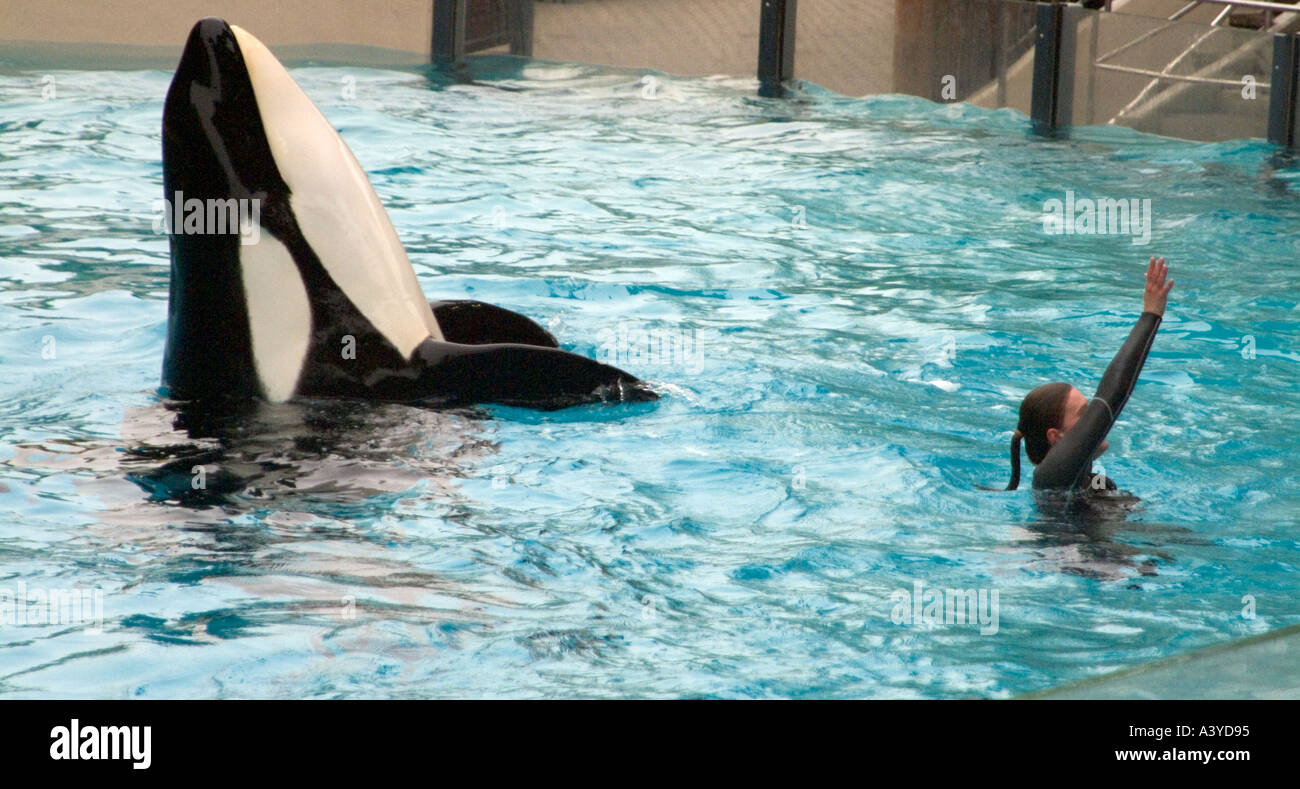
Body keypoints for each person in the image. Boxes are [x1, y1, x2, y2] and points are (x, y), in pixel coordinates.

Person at [999, 257, 1174, 492]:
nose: (1095, 417)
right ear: (1056, 437)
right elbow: (1110, 397)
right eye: (1084, 413)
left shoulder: (1095, 484)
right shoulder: (1052, 476)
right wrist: (1151, 315)